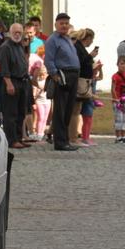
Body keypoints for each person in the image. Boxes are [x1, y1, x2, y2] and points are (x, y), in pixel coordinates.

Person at [44, 13, 80, 151]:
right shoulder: (52, 40)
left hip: (73, 76)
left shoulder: (67, 38)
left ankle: (65, 140)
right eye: (62, 23)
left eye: (66, 23)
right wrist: (55, 75)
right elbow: (48, 60)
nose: (64, 26)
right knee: (60, 110)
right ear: (56, 24)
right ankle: (60, 142)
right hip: (62, 76)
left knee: (68, 110)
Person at [0, 23, 31, 149]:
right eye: (15, 32)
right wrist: (9, 84)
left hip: (22, 82)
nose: (17, 34)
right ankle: (11, 140)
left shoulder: (20, 46)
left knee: (21, 112)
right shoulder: (5, 47)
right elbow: (4, 68)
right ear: (10, 32)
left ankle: (18, 138)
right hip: (11, 81)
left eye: (19, 32)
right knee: (10, 113)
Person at [33, 64, 51, 140]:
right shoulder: (37, 82)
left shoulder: (48, 82)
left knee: (45, 118)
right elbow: (34, 94)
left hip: (47, 101)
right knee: (40, 117)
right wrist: (38, 92)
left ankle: (42, 133)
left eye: (45, 74)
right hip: (39, 101)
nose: (43, 76)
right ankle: (39, 133)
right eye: (42, 74)